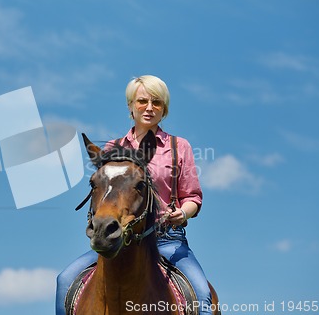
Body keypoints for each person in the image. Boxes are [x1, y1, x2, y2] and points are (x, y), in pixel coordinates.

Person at [55, 75, 212, 315]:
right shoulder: (112, 147)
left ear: (164, 109)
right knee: (65, 280)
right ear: (131, 106)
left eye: (156, 102)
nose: (149, 108)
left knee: (202, 295)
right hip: (120, 240)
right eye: (142, 101)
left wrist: (182, 213)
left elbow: (193, 197)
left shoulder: (180, 147)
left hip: (168, 240)